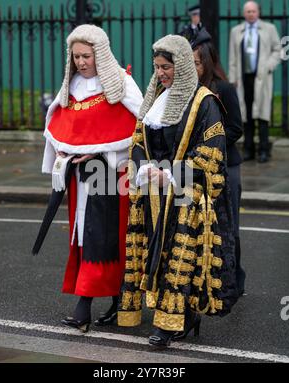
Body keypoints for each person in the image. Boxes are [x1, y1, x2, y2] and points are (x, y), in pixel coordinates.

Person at [117, 34, 238, 348]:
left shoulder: (205, 102)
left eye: (165, 67)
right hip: (152, 195)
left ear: (182, 66)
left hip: (184, 196)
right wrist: (145, 168)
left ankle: (175, 322)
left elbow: (212, 155)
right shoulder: (156, 97)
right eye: (157, 67)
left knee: (178, 259)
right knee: (155, 254)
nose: (160, 73)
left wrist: (169, 173)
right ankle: (167, 316)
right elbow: (137, 140)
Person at [37, 24, 143, 332]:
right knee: (85, 238)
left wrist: (102, 156)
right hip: (79, 181)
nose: (81, 62)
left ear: (100, 54)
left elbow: (140, 128)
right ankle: (102, 302)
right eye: (76, 57)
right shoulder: (69, 88)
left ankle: (92, 306)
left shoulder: (122, 83)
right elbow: (59, 128)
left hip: (111, 180)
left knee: (107, 241)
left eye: (86, 56)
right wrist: (62, 158)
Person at [191, 27, 246, 296]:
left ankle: (234, 280)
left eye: (196, 63)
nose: (192, 68)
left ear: (207, 63)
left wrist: (212, 144)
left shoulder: (223, 88)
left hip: (226, 166)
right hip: (198, 168)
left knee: (229, 227)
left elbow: (236, 128)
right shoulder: (189, 90)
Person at [229, 1, 281, 163]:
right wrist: (233, 78)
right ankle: (248, 149)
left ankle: (264, 150)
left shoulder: (269, 29)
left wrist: (268, 66)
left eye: (253, 11)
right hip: (243, 78)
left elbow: (278, 50)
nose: (250, 14)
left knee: (263, 115)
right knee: (247, 115)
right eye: (248, 11)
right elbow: (233, 56)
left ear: (258, 12)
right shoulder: (236, 31)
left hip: (262, 78)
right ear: (244, 14)